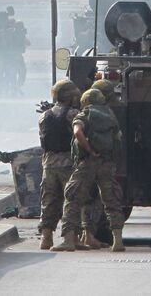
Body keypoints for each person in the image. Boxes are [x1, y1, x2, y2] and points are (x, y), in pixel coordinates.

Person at [52, 89, 126, 252]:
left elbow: (77, 132)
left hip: (87, 163)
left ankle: (69, 240)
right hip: (107, 164)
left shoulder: (84, 114)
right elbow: (118, 140)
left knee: (72, 198)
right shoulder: (110, 116)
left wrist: (89, 149)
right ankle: (118, 241)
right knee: (111, 201)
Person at [37, 79, 81, 250]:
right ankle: (70, 237)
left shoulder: (44, 116)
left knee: (48, 200)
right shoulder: (73, 114)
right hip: (68, 163)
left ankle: (46, 237)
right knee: (70, 200)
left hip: (48, 164)